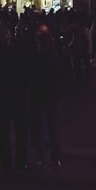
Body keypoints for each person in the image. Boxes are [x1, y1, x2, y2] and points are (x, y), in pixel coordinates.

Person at [0, 26, 30, 170]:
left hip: (1, 96)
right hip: (18, 95)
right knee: (21, 131)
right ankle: (21, 161)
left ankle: (5, 161)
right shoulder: (19, 52)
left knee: (3, 132)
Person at [29, 26, 64, 168]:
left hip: (39, 96)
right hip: (53, 95)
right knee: (54, 126)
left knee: (41, 127)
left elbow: (33, 78)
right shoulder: (56, 58)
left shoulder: (37, 58)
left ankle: (41, 157)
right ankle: (56, 157)